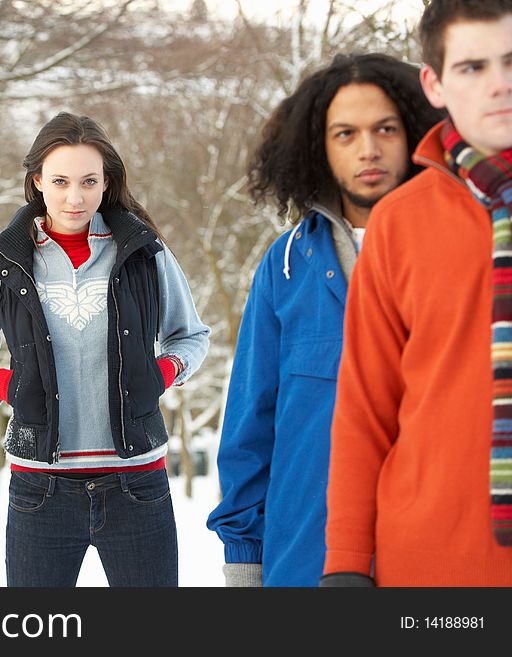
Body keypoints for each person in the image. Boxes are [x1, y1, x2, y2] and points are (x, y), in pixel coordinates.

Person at [206, 53, 444, 587]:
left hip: (433, 568)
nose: (368, 149)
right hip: (305, 564)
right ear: (318, 147)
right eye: (345, 133)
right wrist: (244, 564)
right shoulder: (285, 266)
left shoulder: (462, 251)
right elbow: (251, 428)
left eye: (386, 128)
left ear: (414, 133)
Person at [0, 112, 210, 587]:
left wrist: (161, 373)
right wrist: (0, 384)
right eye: (59, 181)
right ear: (37, 181)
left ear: (106, 184)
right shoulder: (6, 263)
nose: (74, 197)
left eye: (88, 181)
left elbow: (192, 336)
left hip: (138, 483)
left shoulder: (145, 254)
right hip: (40, 489)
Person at [322, 0, 512, 586]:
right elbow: (364, 408)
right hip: (435, 566)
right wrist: (347, 564)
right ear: (434, 83)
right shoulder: (399, 223)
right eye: (472, 67)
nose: (499, 85)